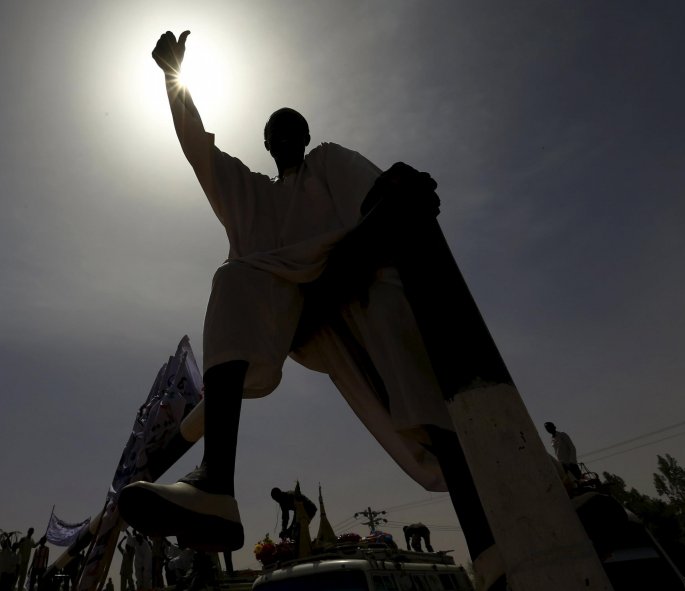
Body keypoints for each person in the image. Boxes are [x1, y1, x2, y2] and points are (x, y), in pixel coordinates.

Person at [120, 30, 502, 589]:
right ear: (267, 144)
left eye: (291, 127)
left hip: (363, 290)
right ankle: (215, 482)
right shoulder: (254, 198)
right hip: (299, 316)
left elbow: (378, 199)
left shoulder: (327, 165)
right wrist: (174, 79)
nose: (283, 135)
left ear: (303, 136)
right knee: (233, 280)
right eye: (274, 130)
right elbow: (199, 148)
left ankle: (501, 543)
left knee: (431, 421)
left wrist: (400, 201)